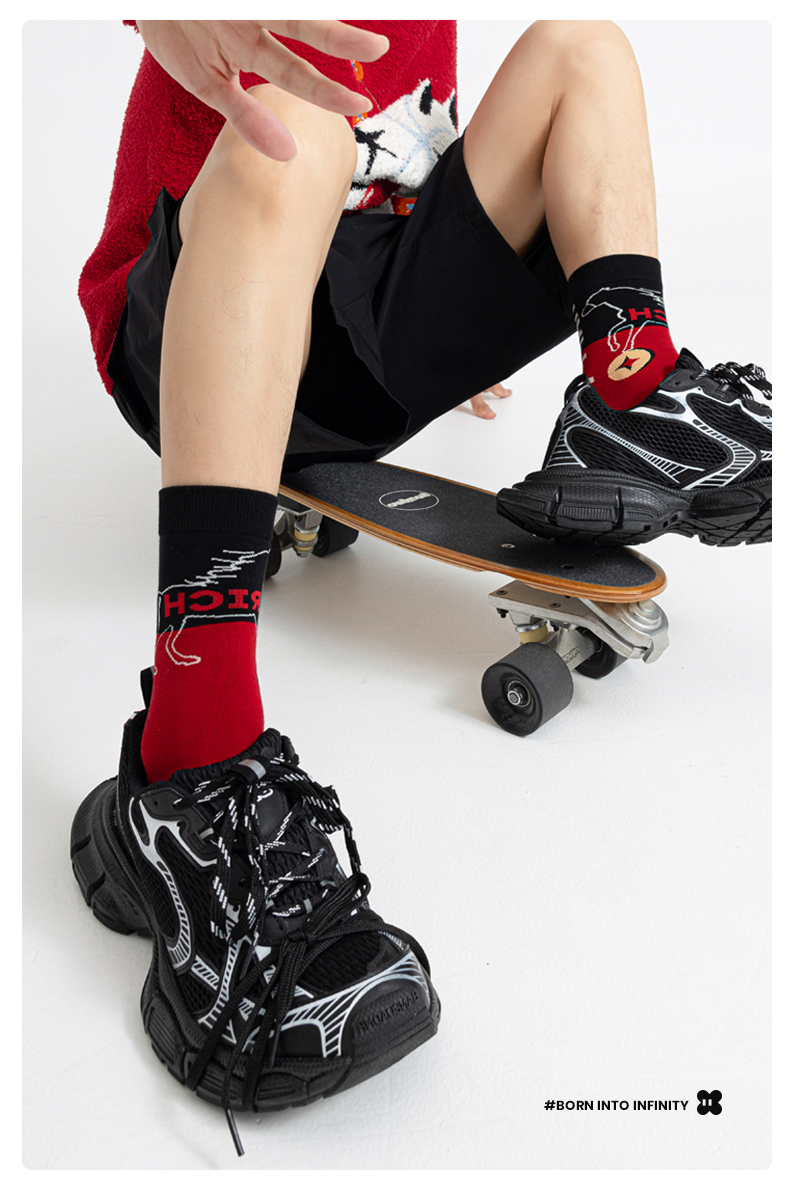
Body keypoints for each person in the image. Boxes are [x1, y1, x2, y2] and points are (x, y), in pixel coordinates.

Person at [70, 19, 771, 1153]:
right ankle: (190, 753)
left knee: (581, 48)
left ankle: (631, 400)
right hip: (188, 316)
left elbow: (415, 154)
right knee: (293, 123)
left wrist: (450, 294)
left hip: (353, 341)